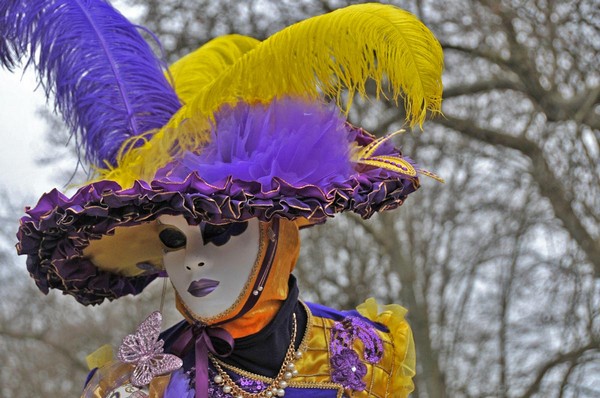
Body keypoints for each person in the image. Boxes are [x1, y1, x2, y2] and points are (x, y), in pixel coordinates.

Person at [2, 1, 443, 396]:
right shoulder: (135, 385)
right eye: (174, 241)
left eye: (220, 229)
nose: (193, 260)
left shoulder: (363, 355)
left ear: (277, 231)